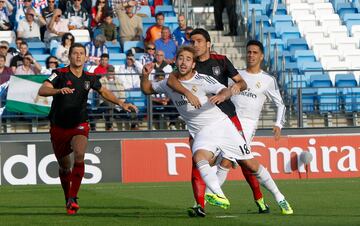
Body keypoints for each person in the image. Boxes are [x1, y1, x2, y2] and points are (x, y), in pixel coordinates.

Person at [166, 28, 264, 216]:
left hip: (227, 117)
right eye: (192, 41)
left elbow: (242, 83)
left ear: (208, 44)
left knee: (245, 160)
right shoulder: (187, 63)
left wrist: (233, 88)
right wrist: (186, 92)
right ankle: (200, 204)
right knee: (199, 161)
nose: (195, 45)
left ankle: (259, 199)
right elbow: (171, 79)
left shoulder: (221, 60)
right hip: (201, 123)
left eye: (198, 41)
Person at [37, 43, 137, 215]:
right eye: (75, 53)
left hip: (79, 124)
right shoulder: (59, 74)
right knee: (64, 167)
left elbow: (104, 91)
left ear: (85, 57)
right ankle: (67, 197)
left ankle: (73, 198)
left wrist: (121, 103)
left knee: (80, 154)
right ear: (69, 56)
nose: (78, 56)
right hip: (58, 126)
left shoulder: (90, 78)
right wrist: (59, 90)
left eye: (81, 53)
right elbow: (42, 89)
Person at [141, 45, 239, 210]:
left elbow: (222, 88)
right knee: (198, 161)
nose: (184, 62)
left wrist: (224, 94)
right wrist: (144, 75)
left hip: (216, 125)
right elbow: (147, 89)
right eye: (181, 58)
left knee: (247, 163)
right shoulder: (168, 82)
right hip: (196, 130)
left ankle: (272, 198)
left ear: (193, 64)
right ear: (176, 62)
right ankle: (201, 203)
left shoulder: (202, 80)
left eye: (188, 59)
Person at [231, 40, 286, 151]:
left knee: (234, 155)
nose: (251, 55)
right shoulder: (235, 74)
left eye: (255, 53)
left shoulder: (268, 80)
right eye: (249, 52)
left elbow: (281, 105)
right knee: (221, 155)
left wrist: (278, 124)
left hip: (248, 123)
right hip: (229, 119)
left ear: (261, 56)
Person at [97, 65, 126, 131]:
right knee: (109, 104)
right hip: (106, 101)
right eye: (109, 71)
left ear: (114, 72)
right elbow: (102, 94)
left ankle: (134, 126)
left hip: (117, 103)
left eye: (112, 71)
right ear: (106, 72)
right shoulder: (101, 80)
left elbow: (122, 94)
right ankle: (109, 126)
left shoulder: (118, 81)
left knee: (131, 106)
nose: (110, 73)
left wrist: (120, 102)